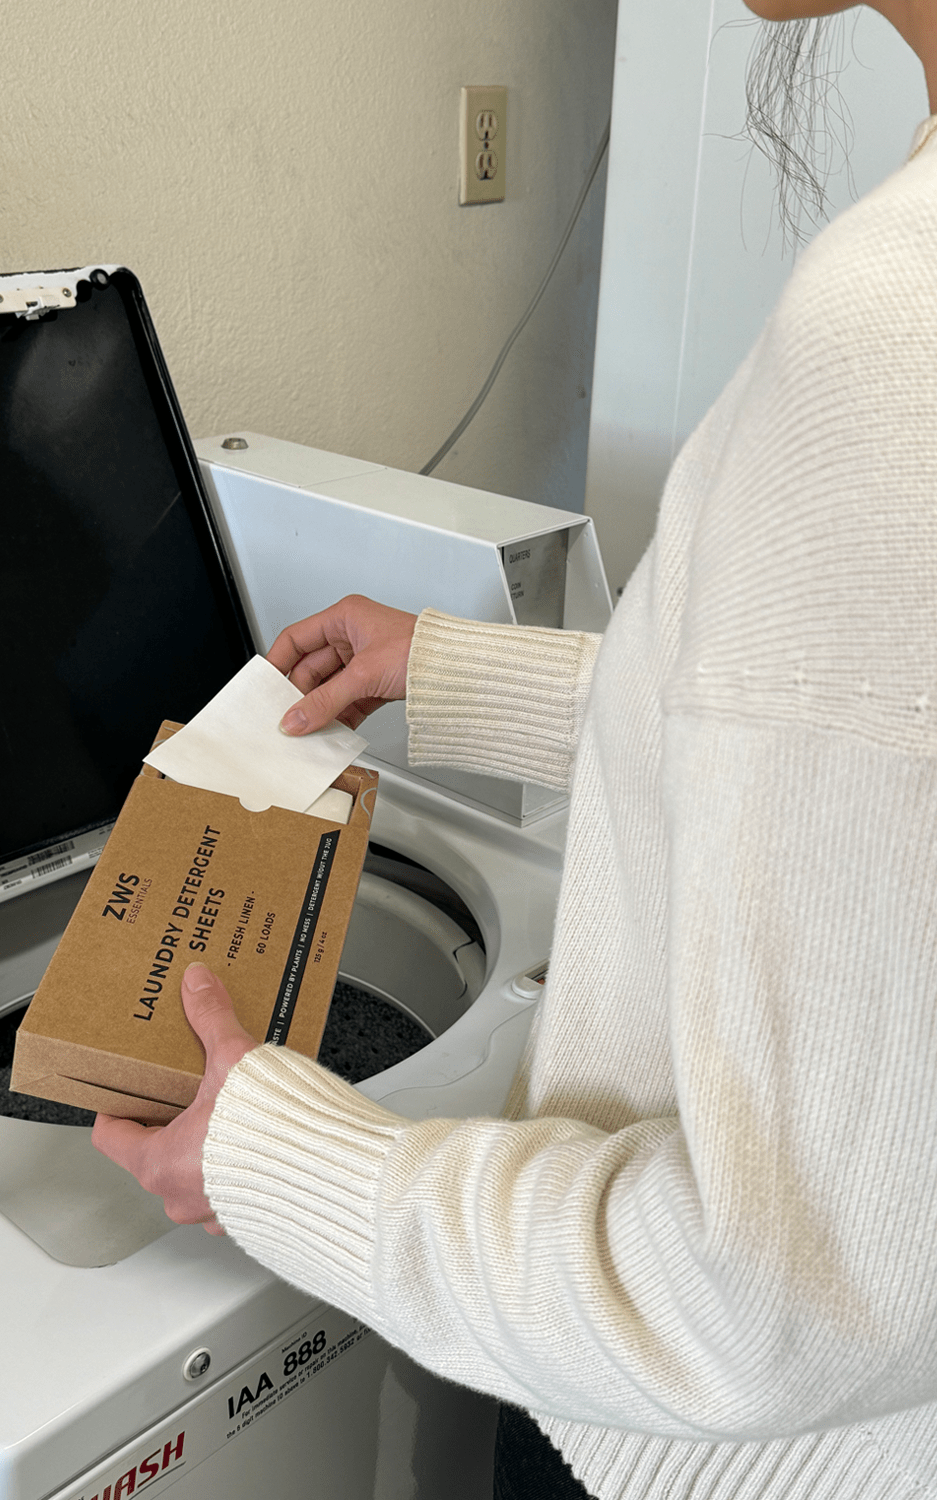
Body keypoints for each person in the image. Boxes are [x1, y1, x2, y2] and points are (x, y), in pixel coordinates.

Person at [93, 2, 937, 1495]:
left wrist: (278, 1160)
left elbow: (767, 1300)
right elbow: (852, 764)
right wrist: (454, 670)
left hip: (722, 1448)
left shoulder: (891, 336)